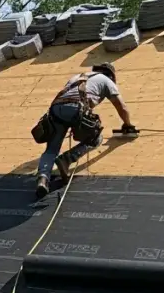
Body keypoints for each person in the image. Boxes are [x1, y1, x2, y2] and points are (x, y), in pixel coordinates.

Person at [35, 62, 133, 198]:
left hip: (56, 109)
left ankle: (43, 179)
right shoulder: (106, 80)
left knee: (51, 149)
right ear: (111, 76)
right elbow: (121, 106)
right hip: (75, 109)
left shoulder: (77, 77)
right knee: (96, 138)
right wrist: (127, 125)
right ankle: (67, 159)